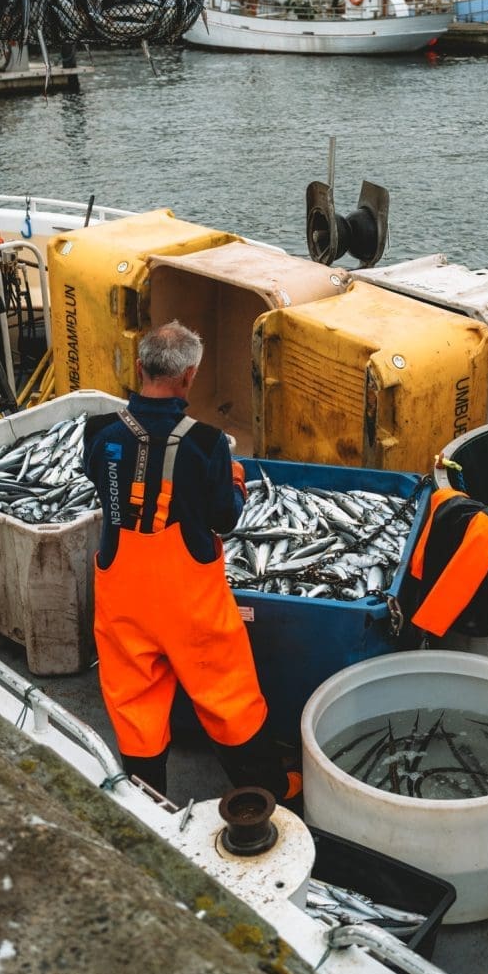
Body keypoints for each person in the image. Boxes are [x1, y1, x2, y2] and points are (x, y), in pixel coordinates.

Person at [84, 321, 298, 805]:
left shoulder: (98, 431)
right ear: (189, 377)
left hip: (120, 592)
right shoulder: (207, 443)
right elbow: (224, 519)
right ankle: (269, 789)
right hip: (189, 599)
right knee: (227, 694)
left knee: (134, 701)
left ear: (139, 366)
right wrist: (236, 482)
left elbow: (103, 478)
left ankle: (149, 803)